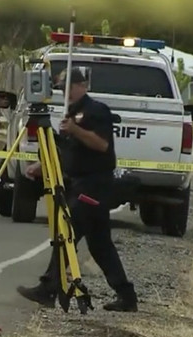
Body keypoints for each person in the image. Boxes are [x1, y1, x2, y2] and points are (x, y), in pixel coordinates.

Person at [16, 67, 138, 312]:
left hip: (95, 184)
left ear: (82, 85)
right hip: (79, 182)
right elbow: (72, 151)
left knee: (66, 234)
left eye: (69, 86)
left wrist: (75, 130)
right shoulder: (71, 113)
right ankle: (127, 296)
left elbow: (102, 145)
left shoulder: (96, 111)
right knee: (100, 245)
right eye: (61, 87)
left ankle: (48, 288)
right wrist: (42, 165)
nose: (65, 91)